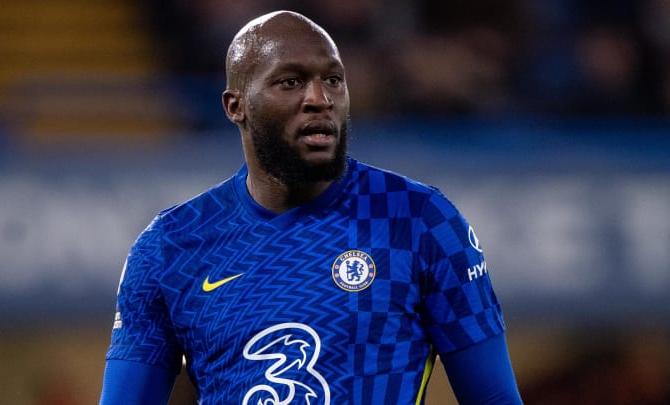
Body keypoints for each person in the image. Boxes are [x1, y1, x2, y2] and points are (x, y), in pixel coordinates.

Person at [100, 10, 523, 404]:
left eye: (333, 80)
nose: (320, 98)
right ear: (236, 106)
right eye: (291, 82)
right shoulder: (171, 246)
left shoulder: (418, 220)